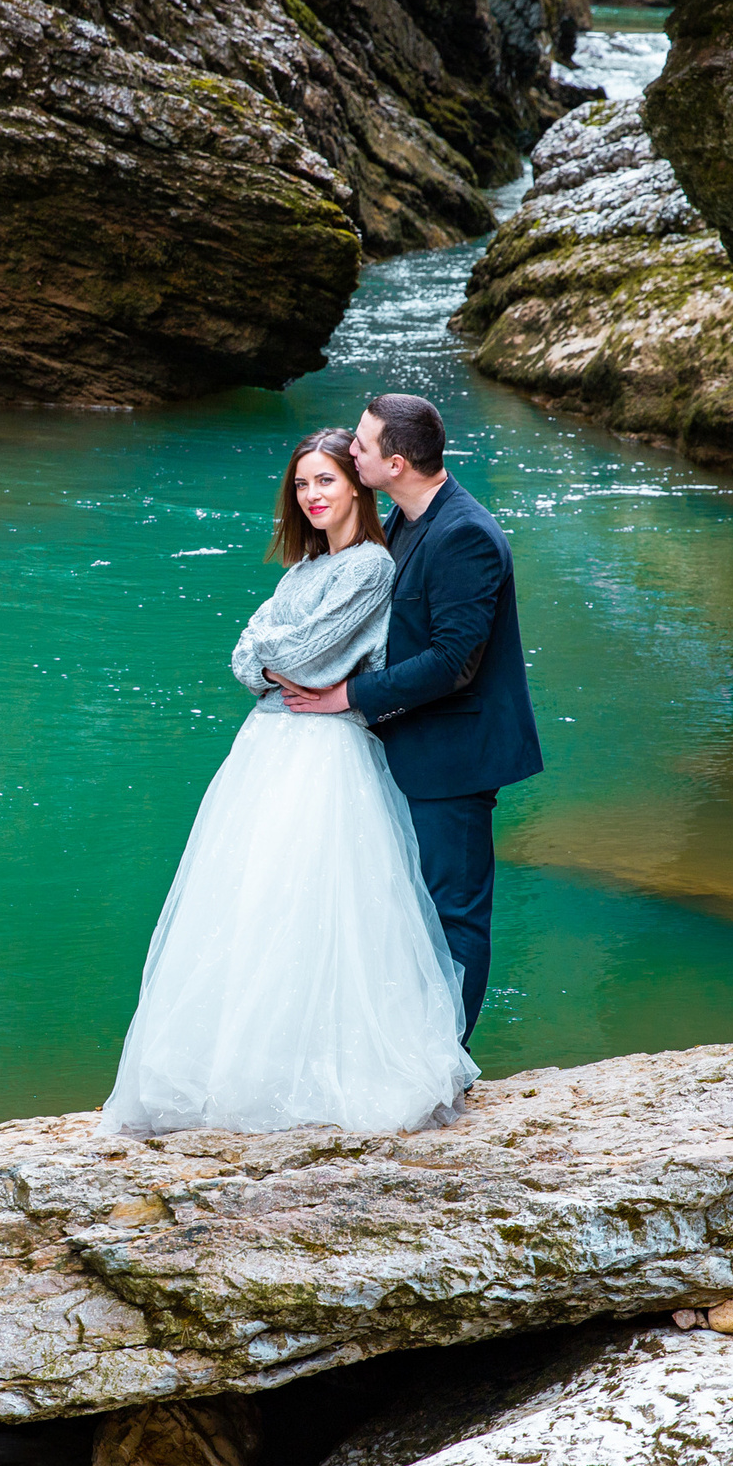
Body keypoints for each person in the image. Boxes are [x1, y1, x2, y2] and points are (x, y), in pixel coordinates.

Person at [99, 428, 478, 1135]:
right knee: (248, 903)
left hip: (325, 753)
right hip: (267, 747)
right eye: (302, 484)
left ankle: (316, 1068)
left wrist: (277, 654)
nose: (312, 495)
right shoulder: (299, 574)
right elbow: (244, 657)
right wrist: (276, 657)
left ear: (358, 487)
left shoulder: (369, 567)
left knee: (316, 903)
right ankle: (239, 1066)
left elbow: (298, 654)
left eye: (327, 481)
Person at [279, 394, 542, 1040]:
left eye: (362, 447)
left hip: (454, 757)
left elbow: (455, 660)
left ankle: (446, 1059)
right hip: (406, 746)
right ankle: (406, 1047)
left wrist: (350, 696)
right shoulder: (401, 517)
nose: (352, 451)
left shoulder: (465, 535)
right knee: (404, 908)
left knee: (453, 913)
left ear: (395, 462)